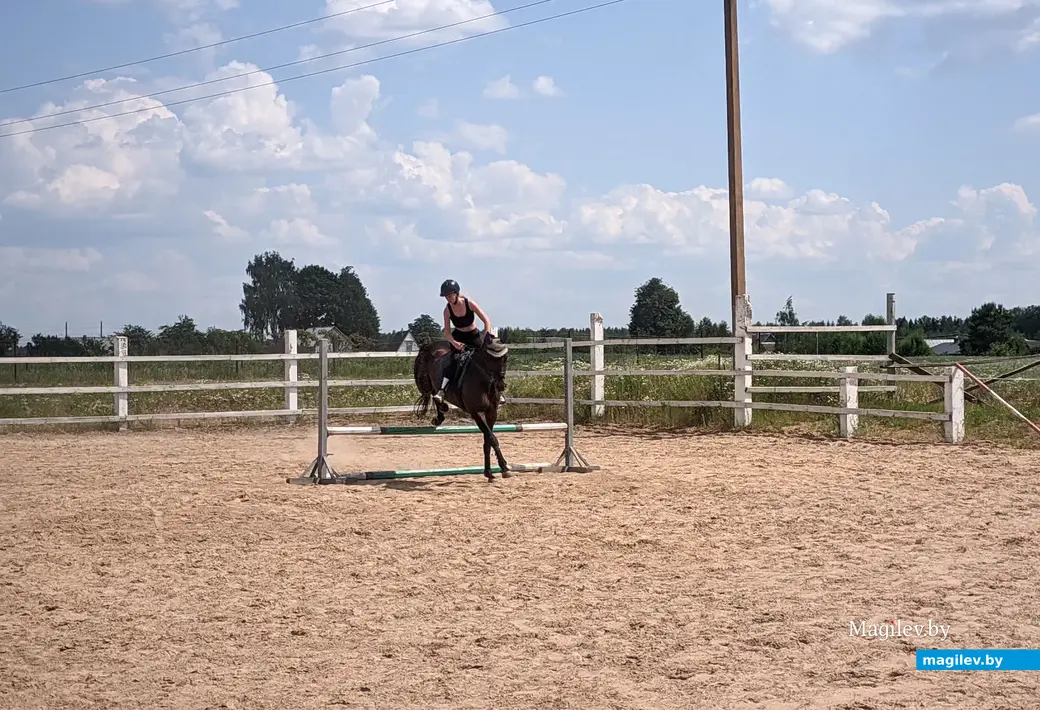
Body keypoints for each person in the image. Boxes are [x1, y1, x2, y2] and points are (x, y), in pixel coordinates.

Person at [433, 279, 495, 404]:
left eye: (450, 295)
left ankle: (496, 390)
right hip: (458, 337)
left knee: (488, 358)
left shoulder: (469, 303)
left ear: (456, 293)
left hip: (473, 335)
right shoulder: (447, 310)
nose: (448, 298)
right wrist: (454, 343)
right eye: (446, 296)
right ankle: (442, 390)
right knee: (453, 360)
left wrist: (487, 335)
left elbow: (486, 320)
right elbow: (447, 332)